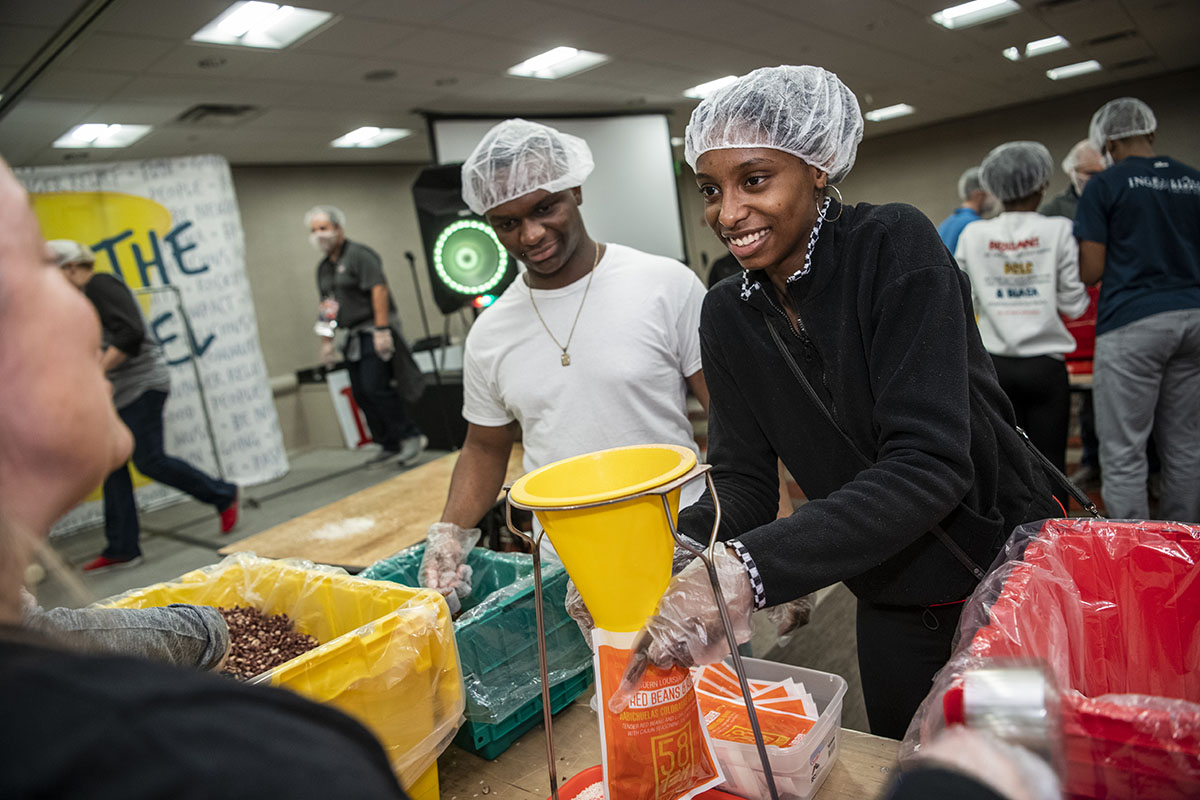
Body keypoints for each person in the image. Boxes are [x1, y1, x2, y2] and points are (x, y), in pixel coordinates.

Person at [615, 65, 1060, 740]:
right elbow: (741, 480)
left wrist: (752, 569)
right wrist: (666, 554)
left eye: (754, 180)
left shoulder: (892, 247)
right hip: (889, 602)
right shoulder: (726, 316)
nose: (727, 212)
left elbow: (929, 465)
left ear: (817, 167)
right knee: (905, 766)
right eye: (711, 189)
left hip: (1006, 582)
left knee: (1014, 770)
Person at [0, 158, 410, 798]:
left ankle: (219, 498)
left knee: (145, 462)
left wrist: (379, 330)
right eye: (30, 268)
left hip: (158, 388)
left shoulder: (358, 255)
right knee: (142, 467)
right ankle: (179, 514)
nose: (74, 308)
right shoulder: (273, 764)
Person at [419, 119, 709, 604]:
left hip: (681, 541)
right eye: (507, 224)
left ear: (574, 188)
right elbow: (486, 448)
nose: (531, 235)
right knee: (599, 681)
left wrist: (761, 526)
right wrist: (450, 534)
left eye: (544, 208)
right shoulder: (491, 332)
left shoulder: (665, 284)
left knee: (710, 680)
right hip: (567, 563)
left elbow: (730, 412)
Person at [51, 241, 239, 572]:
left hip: (142, 385)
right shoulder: (79, 300)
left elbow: (130, 334)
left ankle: (222, 494)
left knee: (149, 459)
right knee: (111, 464)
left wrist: (96, 372)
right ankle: (123, 547)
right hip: (116, 392)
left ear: (69, 267)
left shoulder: (99, 284)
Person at [1074, 97, 1200, 522]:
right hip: (1194, 317)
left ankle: (1134, 556)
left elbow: (1091, 270)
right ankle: (1184, 550)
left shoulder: (1105, 185)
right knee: (1185, 446)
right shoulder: (1193, 180)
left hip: (1134, 322)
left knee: (1124, 451)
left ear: (1107, 141)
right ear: (1150, 131)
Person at [954, 141, 1090, 493]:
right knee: (1052, 470)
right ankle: (1055, 543)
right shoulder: (1058, 229)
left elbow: (959, 300)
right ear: (1042, 183)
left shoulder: (973, 234)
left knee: (1002, 467)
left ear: (995, 187)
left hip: (993, 368)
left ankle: (1010, 545)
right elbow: (1075, 304)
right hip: (1046, 367)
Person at [306, 206, 426, 466]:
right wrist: (326, 343)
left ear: (338, 228)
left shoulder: (360, 256)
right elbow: (327, 305)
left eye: (324, 228)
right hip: (350, 336)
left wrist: (382, 330)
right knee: (360, 392)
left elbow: (379, 290)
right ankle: (388, 443)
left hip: (373, 329)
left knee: (376, 387)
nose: (319, 235)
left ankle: (410, 435)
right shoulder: (324, 269)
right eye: (314, 231)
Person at [1040, 140, 1106, 490]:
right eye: (1088, 174)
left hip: (1105, 309)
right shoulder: (1055, 212)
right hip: (1068, 316)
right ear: (1073, 173)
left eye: (1100, 173)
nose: (1095, 179)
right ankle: (1089, 466)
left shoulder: (1114, 197)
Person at [1038, 139, 1104, 220]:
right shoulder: (1057, 209)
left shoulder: (1117, 202)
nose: (1098, 178)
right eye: (1090, 173)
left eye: (1104, 172)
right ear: (1072, 172)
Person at [936, 166, 997, 252]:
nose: (995, 199)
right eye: (991, 193)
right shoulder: (974, 224)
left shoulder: (947, 223)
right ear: (978, 195)